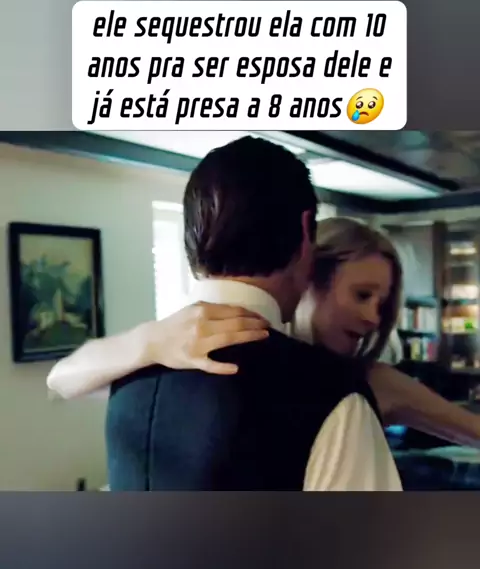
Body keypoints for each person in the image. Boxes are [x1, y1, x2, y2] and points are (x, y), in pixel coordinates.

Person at [48, 138, 403, 490]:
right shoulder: (333, 395)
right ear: (305, 231)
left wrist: (147, 342)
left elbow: (60, 381)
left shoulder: (129, 375)